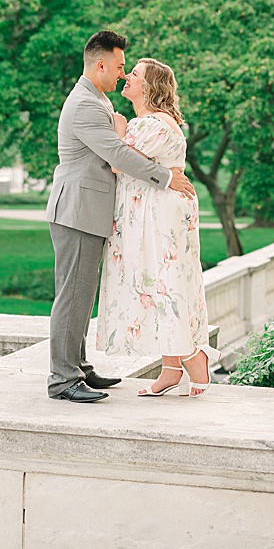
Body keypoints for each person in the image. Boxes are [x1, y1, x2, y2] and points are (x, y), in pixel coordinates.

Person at [47, 31, 198, 403]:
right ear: (100, 64)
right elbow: (117, 152)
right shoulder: (85, 103)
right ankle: (62, 379)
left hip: (87, 209)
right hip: (78, 209)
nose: (121, 73)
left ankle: (78, 368)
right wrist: (166, 177)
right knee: (72, 296)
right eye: (118, 67)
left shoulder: (96, 98)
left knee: (81, 295)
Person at [96, 58, 214, 397]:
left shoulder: (153, 124)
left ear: (149, 87)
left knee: (163, 280)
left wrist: (118, 130)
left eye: (134, 74)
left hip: (158, 214)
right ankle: (171, 367)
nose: (126, 77)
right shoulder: (144, 122)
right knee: (158, 277)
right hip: (150, 210)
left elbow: (120, 161)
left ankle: (193, 356)